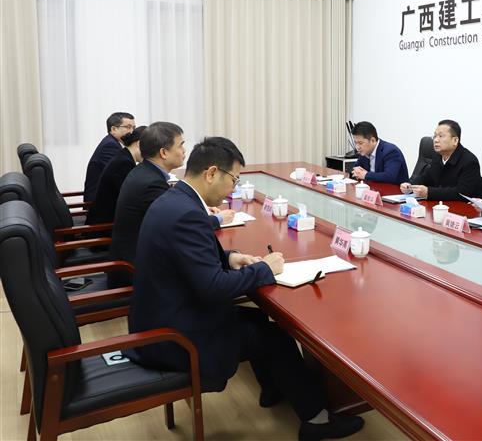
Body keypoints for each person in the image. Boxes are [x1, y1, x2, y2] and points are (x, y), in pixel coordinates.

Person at [127, 137, 364, 440]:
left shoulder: (175, 200)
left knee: (258, 320)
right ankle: (317, 420)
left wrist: (229, 258)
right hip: (174, 338)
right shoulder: (187, 213)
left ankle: (274, 387)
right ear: (212, 173)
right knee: (275, 336)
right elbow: (213, 288)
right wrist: (265, 269)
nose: (233, 189)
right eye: (233, 179)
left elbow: (186, 258)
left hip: (164, 316)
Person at [110, 122, 232, 286]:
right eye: (180, 145)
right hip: (135, 270)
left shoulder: (145, 172)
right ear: (163, 153)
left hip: (137, 257)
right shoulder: (151, 183)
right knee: (211, 278)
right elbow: (183, 222)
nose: (184, 151)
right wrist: (218, 219)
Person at [400, 119, 482, 201]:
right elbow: (426, 177)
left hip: (465, 207)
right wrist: (410, 185)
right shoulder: (438, 156)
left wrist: (429, 192)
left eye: (441, 136)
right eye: (435, 136)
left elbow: (462, 193)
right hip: (442, 205)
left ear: (455, 140)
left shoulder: (470, 161)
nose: (436, 140)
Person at [85, 125, 146, 225]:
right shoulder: (123, 163)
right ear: (139, 144)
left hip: (111, 219)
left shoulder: (124, 156)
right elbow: (132, 197)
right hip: (104, 226)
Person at [83, 111, 135, 202]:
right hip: (99, 203)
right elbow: (123, 175)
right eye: (128, 127)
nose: (132, 132)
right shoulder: (110, 146)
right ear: (114, 129)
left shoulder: (113, 143)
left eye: (134, 128)